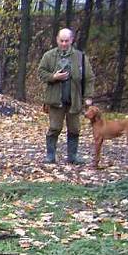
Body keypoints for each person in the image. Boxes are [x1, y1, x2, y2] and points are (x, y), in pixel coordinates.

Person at [37, 28, 95, 164]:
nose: (63, 43)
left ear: (72, 40)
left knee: (74, 129)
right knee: (54, 128)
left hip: (74, 101)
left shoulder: (80, 57)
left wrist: (88, 96)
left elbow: (89, 78)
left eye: (66, 41)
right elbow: (41, 73)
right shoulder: (49, 56)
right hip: (55, 100)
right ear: (57, 40)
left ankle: (72, 156)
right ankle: (50, 156)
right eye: (61, 40)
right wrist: (53, 76)